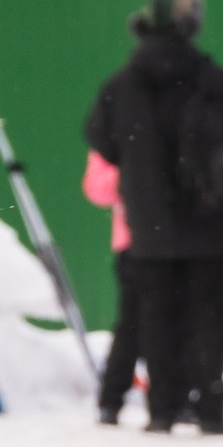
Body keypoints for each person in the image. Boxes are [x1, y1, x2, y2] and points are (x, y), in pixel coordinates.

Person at [83, 0, 223, 434]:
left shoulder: (121, 86)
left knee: (155, 315)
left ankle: (162, 408)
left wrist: (142, 167)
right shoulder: (213, 80)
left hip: (149, 222)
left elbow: (99, 138)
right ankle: (209, 408)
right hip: (211, 219)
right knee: (207, 314)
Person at [80, 149, 145, 426]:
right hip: (134, 243)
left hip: (178, 240)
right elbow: (97, 189)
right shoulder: (117, 127)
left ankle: (180, 396)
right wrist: (137, 177)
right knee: (131, 323)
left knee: (181, 321)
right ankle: (111, 399)